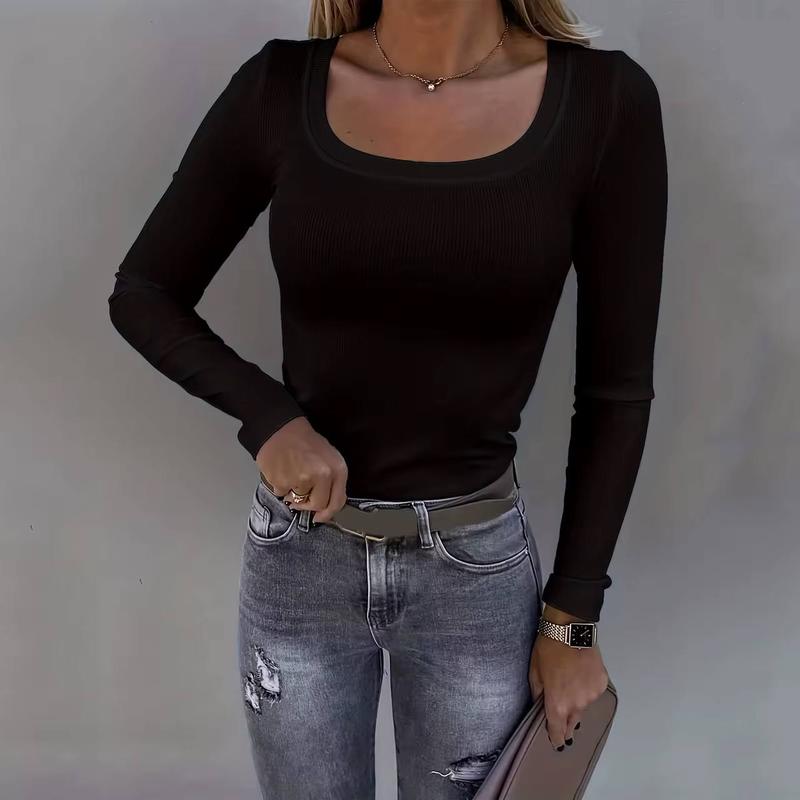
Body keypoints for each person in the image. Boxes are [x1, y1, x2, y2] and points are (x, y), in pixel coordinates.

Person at [107, 1, 667, 797]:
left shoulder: (603, 103)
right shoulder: (280, 88)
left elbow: (617, 390)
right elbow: (145, 291)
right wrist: (269, 418)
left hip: (476, 578)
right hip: (299, 560)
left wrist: (572, 620)